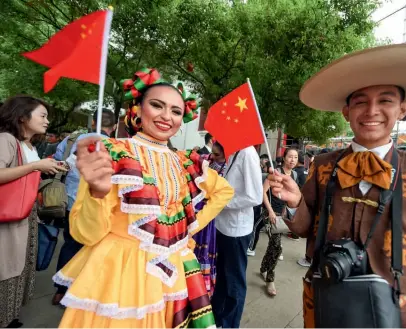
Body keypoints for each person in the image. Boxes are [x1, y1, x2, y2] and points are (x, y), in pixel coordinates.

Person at [267, 43, 406, 327]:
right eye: (361, 101)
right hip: (323, 303)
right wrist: (295, 203)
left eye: (386, 100)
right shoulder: (323, 166)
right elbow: (305, 228)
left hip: (392, 312)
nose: (372, 111)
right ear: (346, 112)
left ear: (403, 109)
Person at [52, 68, 234, 328]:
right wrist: (98, 192)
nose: (166, 116)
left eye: (175, 111)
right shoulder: (111, 152)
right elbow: (86, 235)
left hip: (171, 273)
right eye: (157, 105)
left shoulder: (186, 162)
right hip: (120, 275)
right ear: (137, 109)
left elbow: (224, 191)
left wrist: (188, 227)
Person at [0, 95, 67, 328]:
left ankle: (9, 315)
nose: (47, 121)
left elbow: (24, 177)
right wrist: (37, 166)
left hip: (26, 214)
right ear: (22, 116)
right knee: (7, 266)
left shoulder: (29, 145)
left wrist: (47, 168)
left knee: (20, 266)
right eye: (42, 115)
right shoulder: (6, 140)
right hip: (8, 215)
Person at [51, 109, 116, 306]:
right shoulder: (115, 146)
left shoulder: (72, 139)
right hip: (98, 206)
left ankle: (61, 291)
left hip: (71, 201)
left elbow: (58, 162)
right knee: (93, 248)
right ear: (113, 127)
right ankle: (82, 292)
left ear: (93, 121)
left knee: (70, 243)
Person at [211, 146, 263, 328]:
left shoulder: (247, 153)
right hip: (222, 226)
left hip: (237, 230)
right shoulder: (231, 151)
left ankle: (230, 324)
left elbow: (254, 196)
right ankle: (217, 318)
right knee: (222, 278)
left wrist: (222, 202)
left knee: (234, 281)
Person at [260, 148, 298, 296]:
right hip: (270, 213)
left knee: (273, 246)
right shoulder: (275, 173)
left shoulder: (294, 175)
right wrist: (269, 211)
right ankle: (270, 279)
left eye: (295, 157)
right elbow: (263, 192)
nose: (292, 160)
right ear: (284, 157)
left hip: (283, 215)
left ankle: (263, 268)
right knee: (276, 247)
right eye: (290, 156)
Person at [193, 141, 228, 297]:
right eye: (212, 152)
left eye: (217, 154)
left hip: (210, 214)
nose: (212, 156)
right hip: (197, 210)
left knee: (205, 250)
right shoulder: (208, 161)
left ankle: (202, 288)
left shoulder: (227, 169)